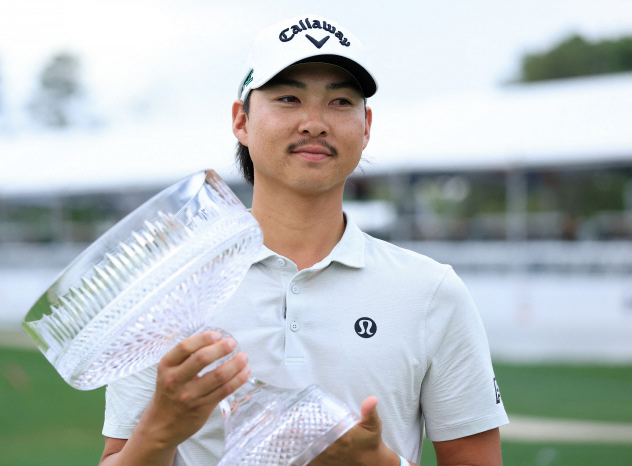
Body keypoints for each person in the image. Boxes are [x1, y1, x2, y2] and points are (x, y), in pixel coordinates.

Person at [99, 14, 508, 466]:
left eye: (340, 101)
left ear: (366, 126)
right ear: (241, 121)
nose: (314, 123)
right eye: (289, 98)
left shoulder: (431, 292)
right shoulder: (167, 287)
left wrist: (379, 463)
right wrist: (158, 430)